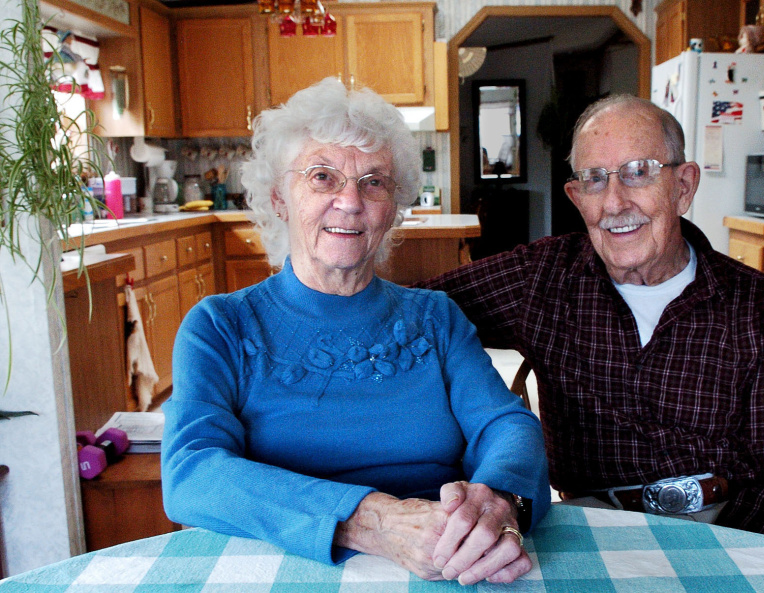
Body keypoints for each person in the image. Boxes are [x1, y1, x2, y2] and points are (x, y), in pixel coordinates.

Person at [161, 77, 550, 586]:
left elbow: (505, 425)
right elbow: (193, 473)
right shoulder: (220, 326)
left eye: (373, 181)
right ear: (280, 198)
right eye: (322, 177)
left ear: (394, 207)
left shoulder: (435, 317)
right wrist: (373, 521)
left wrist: (495, 500)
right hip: (283, 569)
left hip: (438, 564)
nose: (350, 201)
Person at [419, 95, 764, 547]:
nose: (615, 203)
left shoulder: (755, 302)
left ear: (684, 186)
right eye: (594, 180)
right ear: (577, 198)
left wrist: (719, 566)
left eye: (639, 172)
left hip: (733, 518)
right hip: (592, 522)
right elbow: (417, 314)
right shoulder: (541, 278)